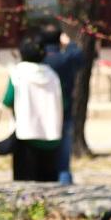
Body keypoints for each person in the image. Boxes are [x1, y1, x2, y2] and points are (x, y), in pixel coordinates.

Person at [4, 39, 63, 182]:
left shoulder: (18, 73)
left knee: (25, 184)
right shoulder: (52, 74)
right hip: (51, 135)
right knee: (49, 184)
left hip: (26, 135)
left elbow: (7, 100)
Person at [40, 22, 85, 184]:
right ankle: (64, 183)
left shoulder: (40, 60)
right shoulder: (65, 59)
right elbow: (80, 56)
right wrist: (70, 43)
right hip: (63, 110)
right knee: (63, 158)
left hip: (40, 114)